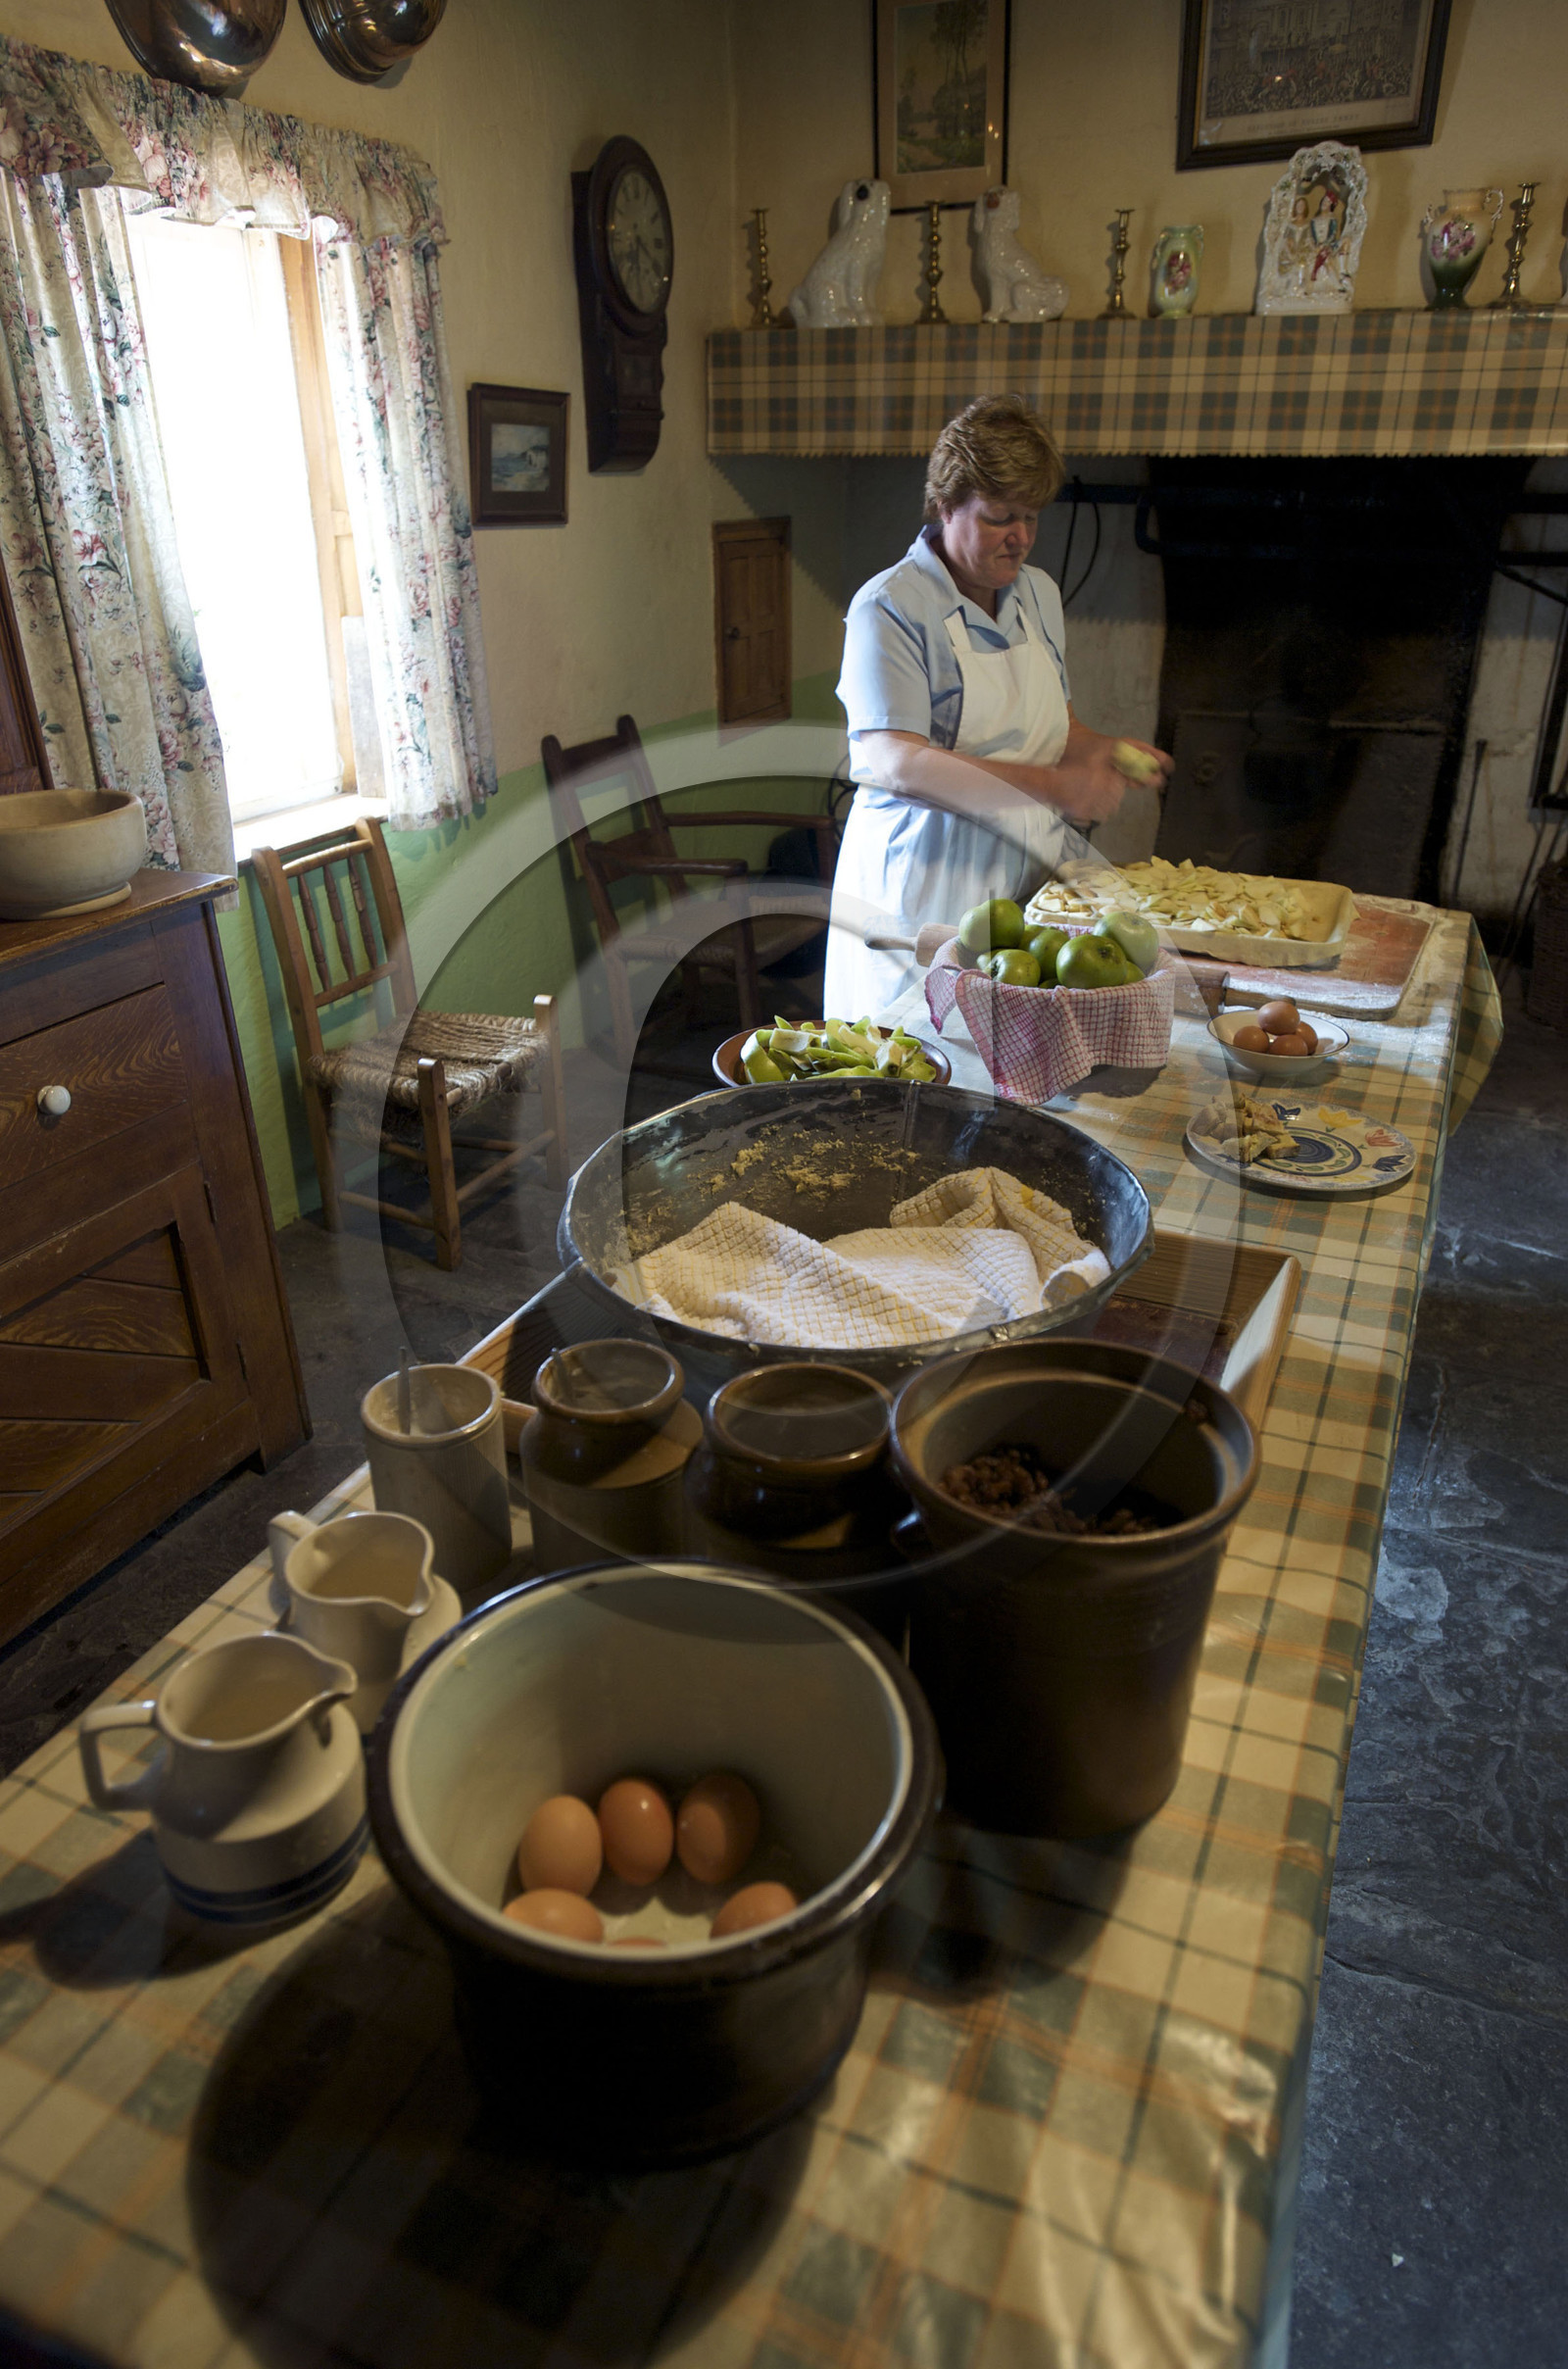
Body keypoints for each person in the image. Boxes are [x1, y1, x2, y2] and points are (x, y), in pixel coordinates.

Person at [826, 394, 1171, 1017]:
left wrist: (1105, 751)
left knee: (1016, 1048)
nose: (1021, 539)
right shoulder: (891, 607)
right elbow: (898, 763)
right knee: (919, 1052)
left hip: (1020, 875)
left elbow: (1057, 725)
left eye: (1031, 517)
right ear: (945, 505)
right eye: (999, 518)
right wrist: (1056, 787)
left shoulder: (1037, 594)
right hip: (929, 880)